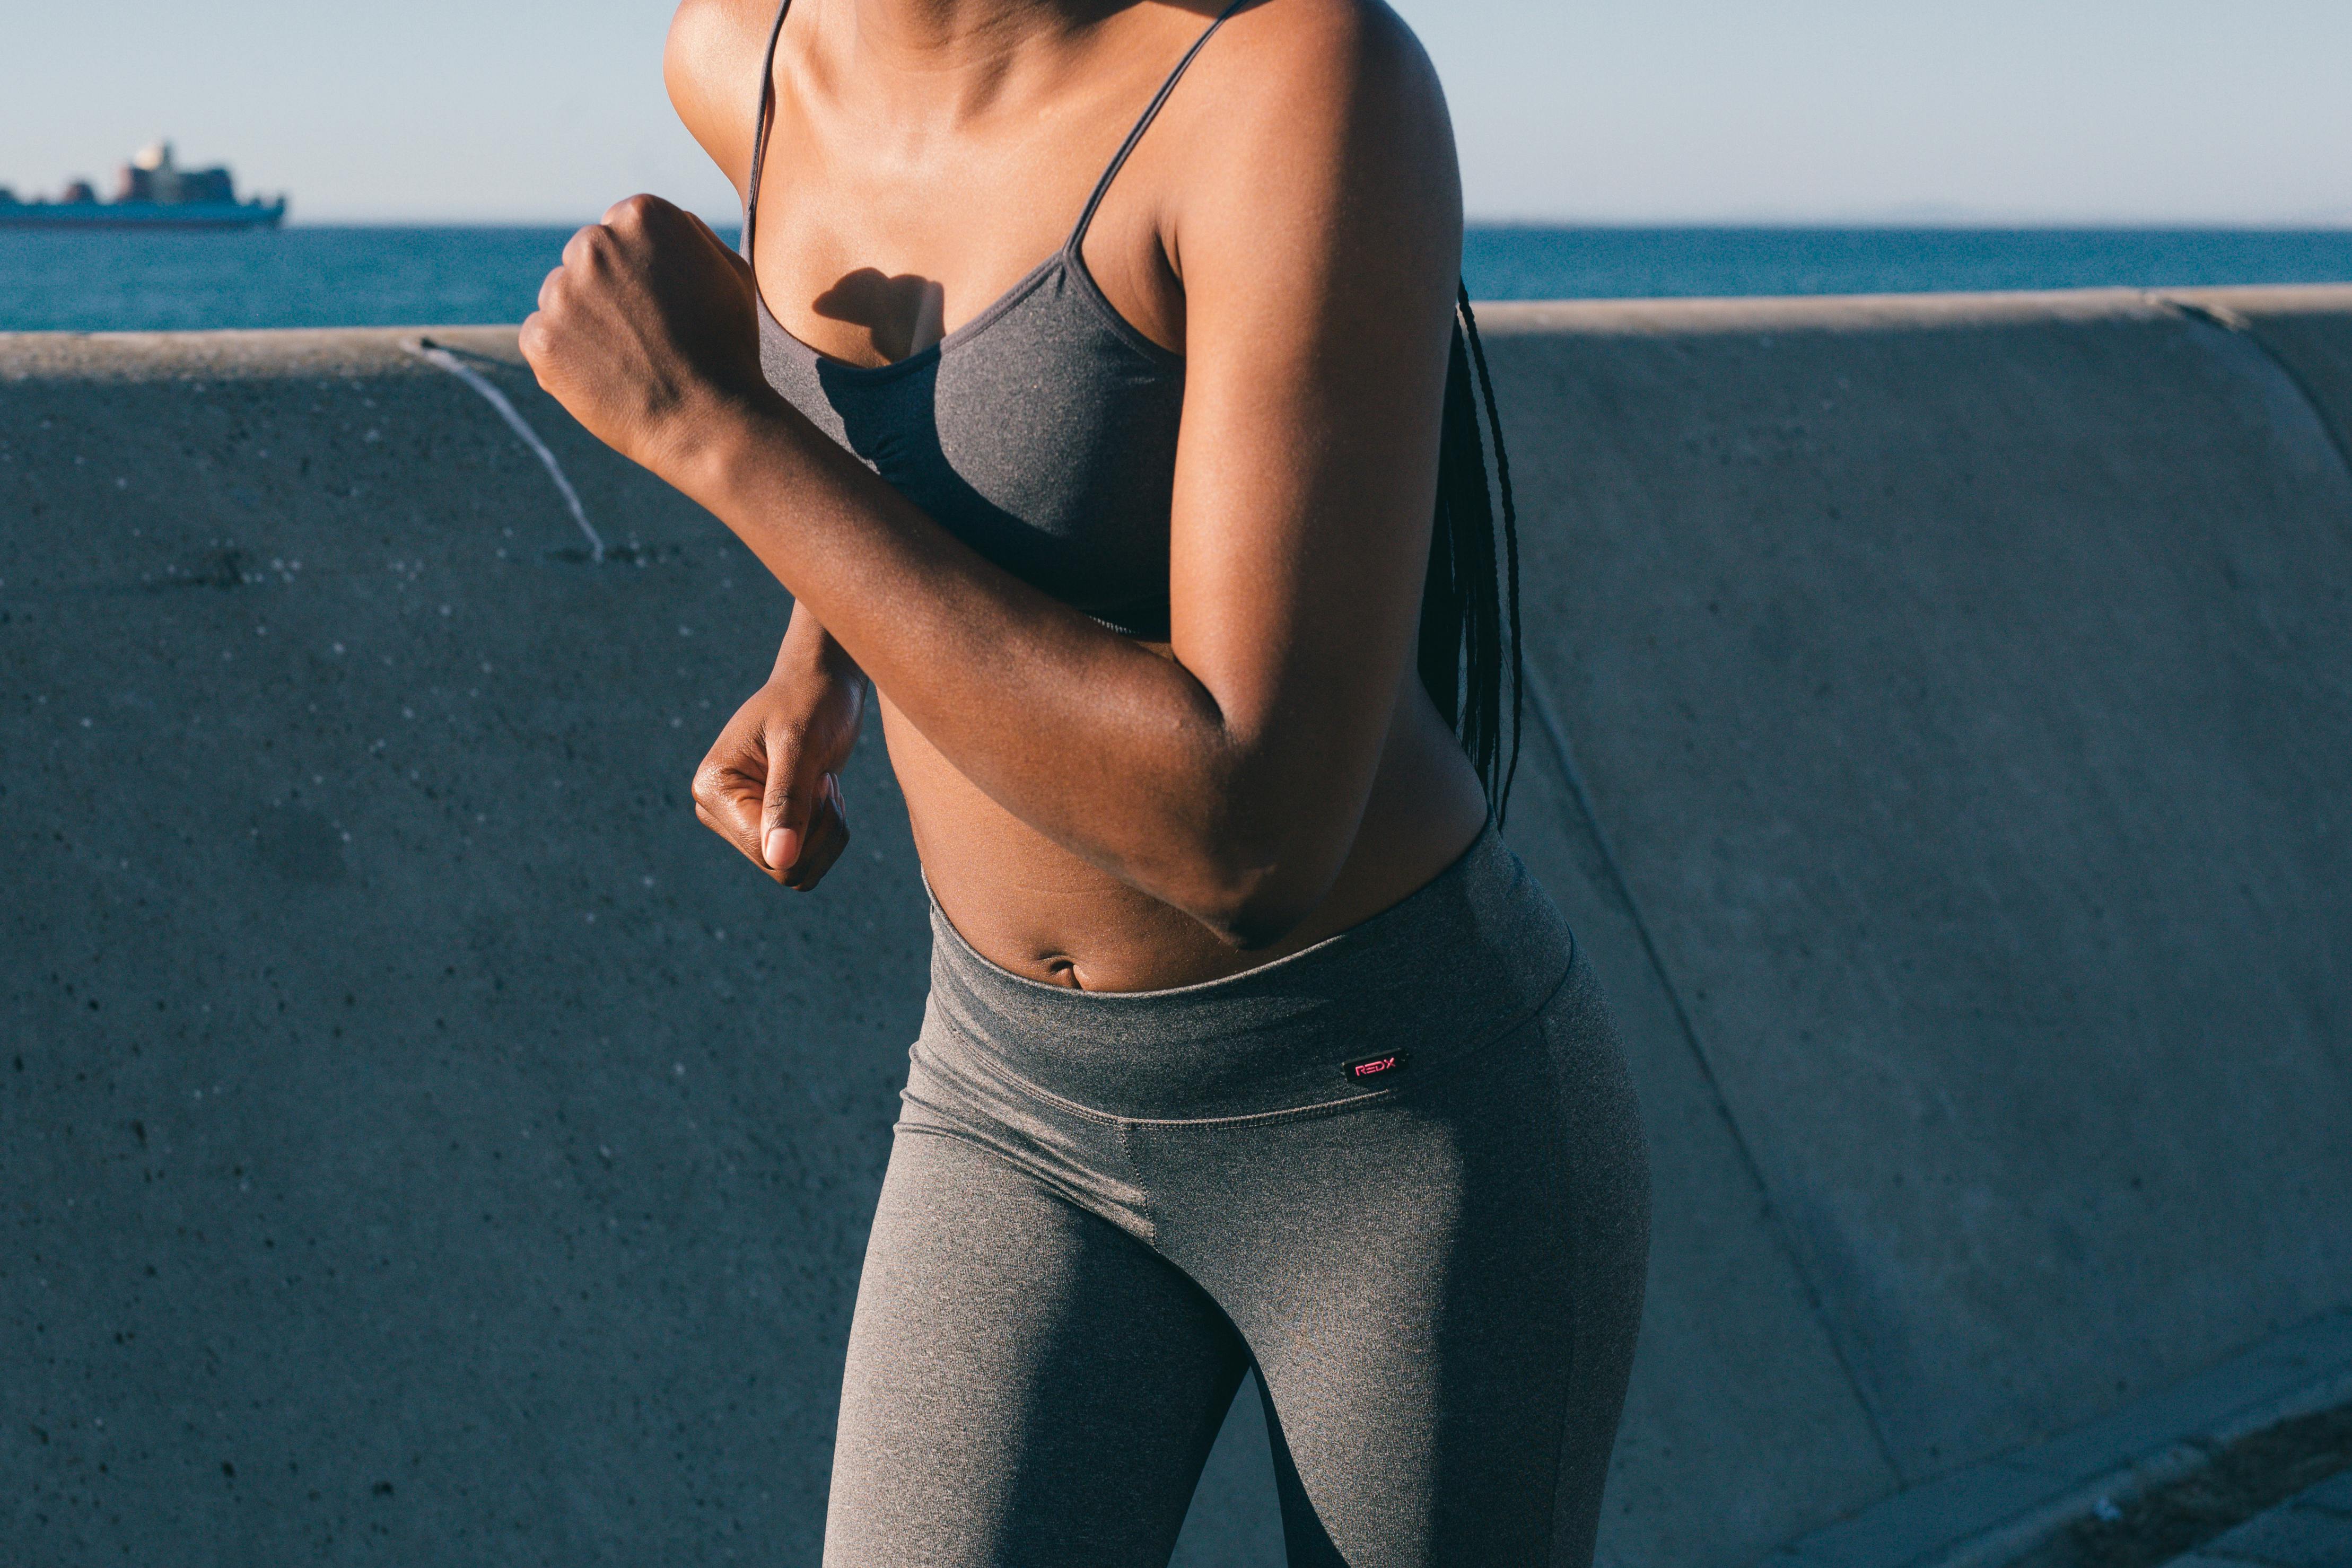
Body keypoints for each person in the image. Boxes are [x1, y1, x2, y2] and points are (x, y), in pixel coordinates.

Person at [519, 0, 1650, 1560]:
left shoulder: (1293, 77)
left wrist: (712, 438)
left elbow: (1248, 830)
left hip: (1388, 1122)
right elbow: (925, 428)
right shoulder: (747, 55)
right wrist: (818, 653)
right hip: (1003, 1099)